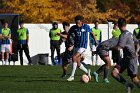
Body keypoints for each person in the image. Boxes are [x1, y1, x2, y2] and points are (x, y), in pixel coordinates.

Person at [111, 18, 140, 93]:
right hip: (125, 59)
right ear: (125, 25)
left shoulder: (123, 35)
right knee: (114, 73)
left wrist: (108, 47)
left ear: (118, 25)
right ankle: (128, 85)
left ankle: (131, 84)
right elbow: (137, 43)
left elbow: (119, 48)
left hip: (131, 60)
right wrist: (136, 51)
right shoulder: (130, 33)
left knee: (134, 79)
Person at [67, 15, 97, 81]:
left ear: (81, 21)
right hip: (76, 46)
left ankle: (72, 76)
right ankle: (87, 72)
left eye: (77, 22)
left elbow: (92, 33)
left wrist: (95, 41)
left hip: (83, 46)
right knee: (78, 64)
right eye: (75, 22)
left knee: (74, 57)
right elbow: (68, 34)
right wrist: (70, 43)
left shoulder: (86, 27)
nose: (76, 24)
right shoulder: (74, 27)